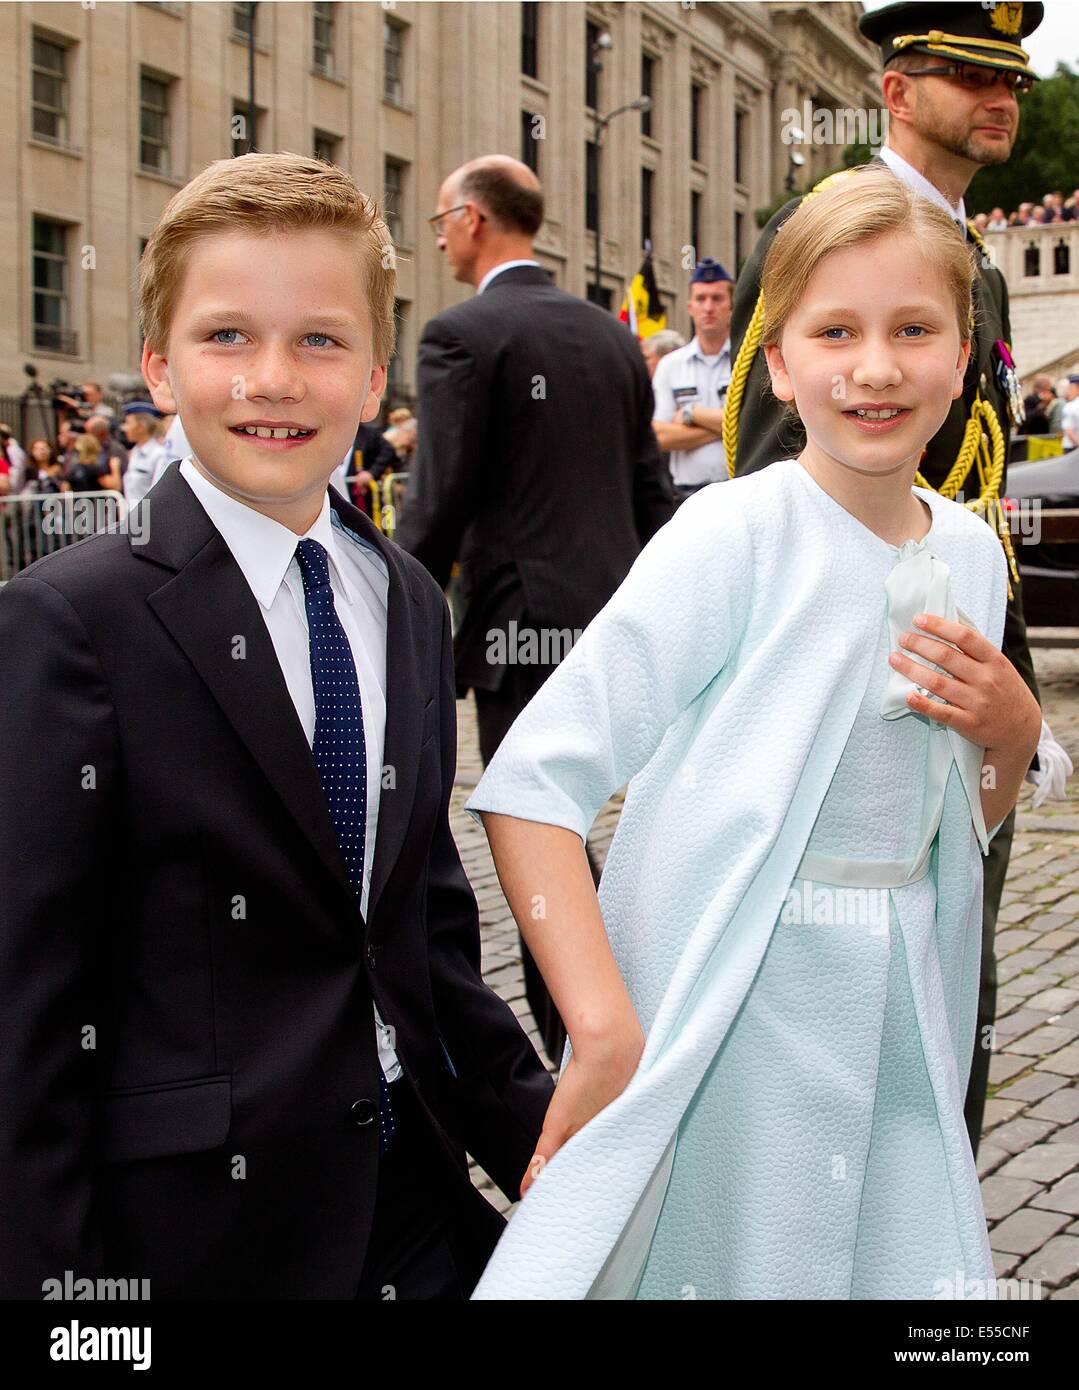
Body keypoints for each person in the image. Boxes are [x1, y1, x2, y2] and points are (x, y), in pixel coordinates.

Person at [463, 169, 1041, 1301]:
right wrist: (602, 1025)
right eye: (834, 331)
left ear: (962, 350)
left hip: (899, 1003)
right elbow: (532, 779)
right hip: (742, 1001)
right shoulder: (732, 533)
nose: (873, 366)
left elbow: (949, 818)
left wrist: (1011, 734)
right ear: (775, 362)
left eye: (910, 329)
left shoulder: (971, 549)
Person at [0, 150, 552, 1300]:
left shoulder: (402, 597)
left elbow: (426, 930)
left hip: (412, 1197)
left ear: (371, 375)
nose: (272, 379)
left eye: (317, 340)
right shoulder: (69, 622)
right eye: (225, 338)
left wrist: (551, 1150)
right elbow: (26, 1020)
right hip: (201, 1240)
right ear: (158, 366)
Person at [726, 0, 1059, 1156]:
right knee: (826, 1001)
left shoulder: (976, 265)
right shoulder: (821, 228)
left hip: (968, 673)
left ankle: (926, 1251)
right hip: (860, 690)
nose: (997, 98)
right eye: (965, 74)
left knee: (949, 987)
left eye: (1006, 77)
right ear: (895, 92)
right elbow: (773, 478)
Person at [396, 153, 674, 1068]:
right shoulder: (606, 336)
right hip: (618, 618)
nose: (437, 237)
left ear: (473, 220)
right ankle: (616, 1016)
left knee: (532, 832)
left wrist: (393, 612)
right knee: (581, 828)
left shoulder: (459, 335)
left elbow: (437, 499)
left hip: (521, 628)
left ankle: (586, 1044)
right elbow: (648, 492)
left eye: (441, 219)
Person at [650, 259, 733, 501]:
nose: (708, 307)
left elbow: (754, 428)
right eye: (701, 299)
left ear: (731, 305)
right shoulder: (671, 365)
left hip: (738, 491)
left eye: (717, 298)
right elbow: (660, 437)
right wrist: (727, 427)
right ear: (689, 306)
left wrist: (692, 414)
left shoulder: (745, 362)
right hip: (686, 496)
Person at [120, 399, 170, 504]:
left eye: (128, 423)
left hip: (148, 517)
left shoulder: (159, 454)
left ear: (141, 427)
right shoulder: (134, 452)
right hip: (132, 516)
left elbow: (159, 494)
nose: (124, 428)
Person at [1062, 376, 1079, 451]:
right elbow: (1069, 432)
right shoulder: (1070, 406)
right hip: (1072, 447)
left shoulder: (1070, 406)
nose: (1068, 391)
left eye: (1070, 388)